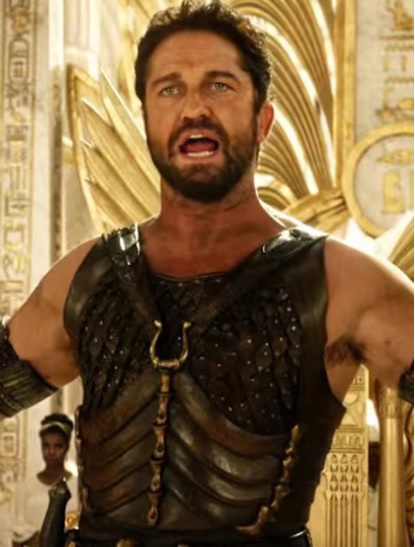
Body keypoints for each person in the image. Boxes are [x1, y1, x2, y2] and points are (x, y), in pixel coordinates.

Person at [0, 1, 413, 545]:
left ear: (263, 119)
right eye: (170, 89)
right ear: (146, 119)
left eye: (219, 85)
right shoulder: (88, 275)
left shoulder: (343, 282)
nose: (194, 107)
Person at [10, 413, 78, 547]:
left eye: (58, 446)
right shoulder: (24, 488)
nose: (51, 452)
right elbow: (16, 535)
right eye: (46, 445)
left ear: (66, 447)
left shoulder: (77, 487)